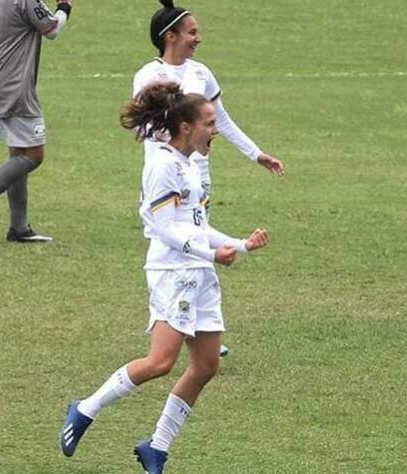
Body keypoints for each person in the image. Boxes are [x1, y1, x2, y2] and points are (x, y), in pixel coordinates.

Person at [59, 83, 270, 473]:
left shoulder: (189, 165)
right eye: (209, 123)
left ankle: (157, 447)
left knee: (206, 365)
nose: (216, 130)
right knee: (160, 362)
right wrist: (211, 254)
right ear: (186, 127)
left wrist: (240, 245)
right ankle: (85, 409)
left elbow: (197, 225)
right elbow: (165, 229)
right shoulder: (162, 165)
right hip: (172, 273)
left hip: (199, 273)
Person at [134, 0, 283, 357]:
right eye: (192, 32)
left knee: (197, 235)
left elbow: (224, 120)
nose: (199, 39)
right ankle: (176, 321)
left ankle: (198, 325)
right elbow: (143, 127)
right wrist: (179, 145)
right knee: (172, 241)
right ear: (170, 37)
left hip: (197, 174)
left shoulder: (202, 73)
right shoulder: (147, 75)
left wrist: (255, 153)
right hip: (165, 175)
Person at [0, 0, 74, 244]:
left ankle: (18, 227)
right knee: (33, 154)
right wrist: (64, 8)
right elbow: (52, 29)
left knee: (19, 150)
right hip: (13, 85)